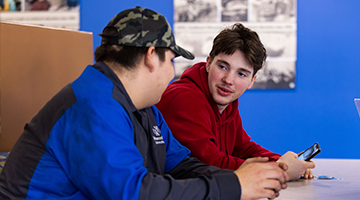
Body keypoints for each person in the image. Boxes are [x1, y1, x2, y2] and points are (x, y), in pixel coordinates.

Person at [0, 7, 290, 200]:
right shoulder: (94, 105)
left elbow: (180, 164)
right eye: (172, 60)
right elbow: (135, 193)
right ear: (152, 56)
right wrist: (235, 186)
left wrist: (244, 178)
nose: (173, 72)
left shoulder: (144, 108)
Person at [156, 23, 315, 181]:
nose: (228, 80)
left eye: (241, 74)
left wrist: (287, 163)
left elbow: (243, 148)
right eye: (223, 67)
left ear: (252, 81)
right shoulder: (185, 99)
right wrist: (279, 170)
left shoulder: (225, 101)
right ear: (209, 63)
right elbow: (211, 164)